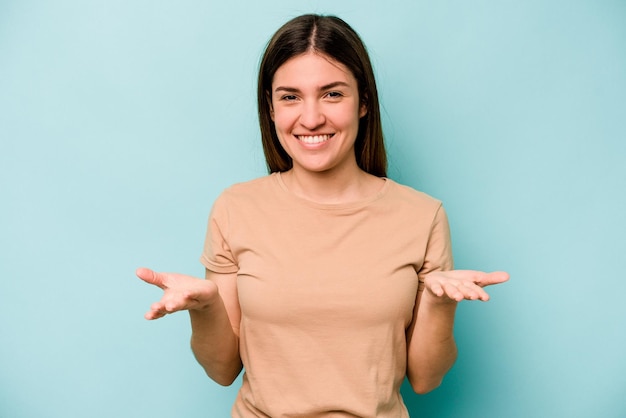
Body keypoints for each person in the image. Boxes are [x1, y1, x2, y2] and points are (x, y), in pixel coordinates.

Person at [137, 13, 509, 418]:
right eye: (290, 96)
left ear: (364, 101)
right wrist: (206, 307)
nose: (311, 118)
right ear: (271, 106)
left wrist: (441, 305)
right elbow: (222, 369)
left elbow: (425, 379)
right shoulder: (235, 208)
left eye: (332, 94)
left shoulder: (422, 216)